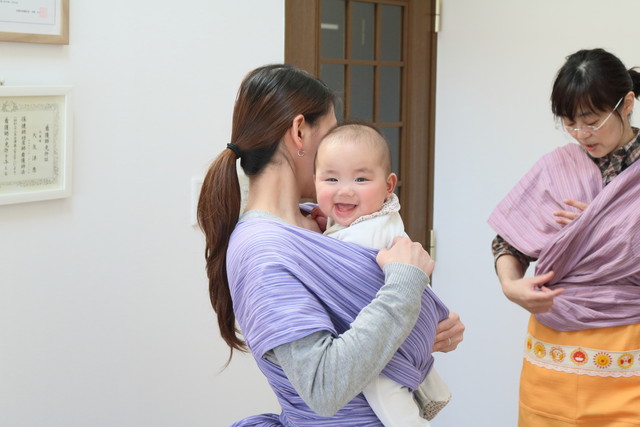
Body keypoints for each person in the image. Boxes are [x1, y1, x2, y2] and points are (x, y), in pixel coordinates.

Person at [198, 64, 465, 426]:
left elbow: (364, 326)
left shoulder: (323, 222)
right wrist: (404, 285)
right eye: (331, 133)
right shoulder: (262, 251)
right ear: (299, 132)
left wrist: (424, 330)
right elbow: (324, 385)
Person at [488, 48, 640, 426]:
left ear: (627, 105)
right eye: (570, 123)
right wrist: (510, 285)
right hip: (551, 359)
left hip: (628, 354)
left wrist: (603, 227)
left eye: (592, 121)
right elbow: (508, 242)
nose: (581, 134)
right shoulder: (557, 167)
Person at [314, 122, 452, 426]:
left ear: (389, 185)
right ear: (315, 181)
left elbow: (337, 256)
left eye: (361, 178)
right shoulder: (380, 214)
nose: (345, 189)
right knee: (407, 358)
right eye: (331, 178)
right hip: (411, 312)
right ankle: (433, 390)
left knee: (379, 382)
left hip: (394, 319)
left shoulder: (368, 231)